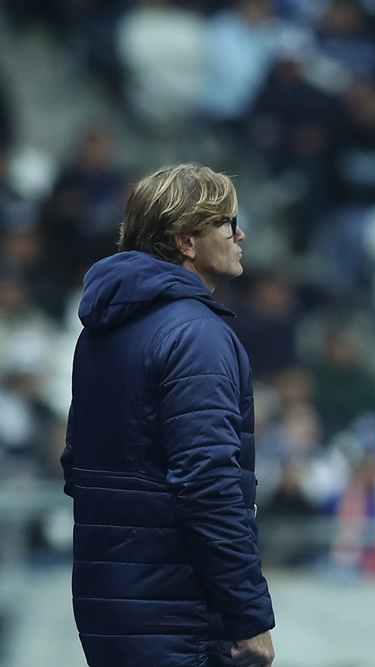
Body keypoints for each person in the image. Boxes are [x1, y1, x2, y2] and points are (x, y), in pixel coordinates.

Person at [61, 164, 276, 667]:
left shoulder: (100, 331)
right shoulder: (197, 335)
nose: (239, 233)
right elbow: (208, 485)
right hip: (179, 616)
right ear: (185, 241)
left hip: (110, 607)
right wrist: (249, 615)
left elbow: (77, 468)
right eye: (225, 222)